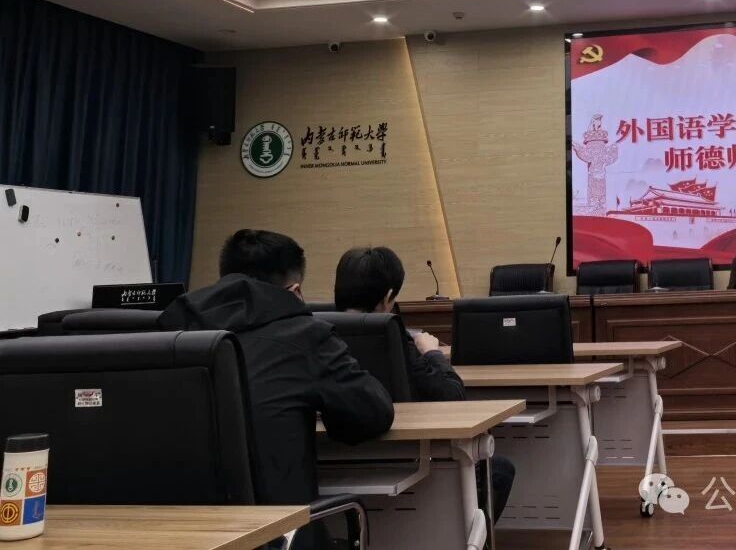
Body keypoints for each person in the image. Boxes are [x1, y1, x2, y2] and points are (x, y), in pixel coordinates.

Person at [160, 229, 393, 547]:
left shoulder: (169, 337)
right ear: (295, 291)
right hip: (282, 536)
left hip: (184, 538)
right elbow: (371, 416)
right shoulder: (305, 335)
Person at [334, 246, 516, 522]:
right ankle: (469, 538)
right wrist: (432, 353)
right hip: (408, 461)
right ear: (388, 298)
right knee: (499, 470)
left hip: (336, 466)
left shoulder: (317, 336)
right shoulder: (392, 340)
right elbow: (453, 398)